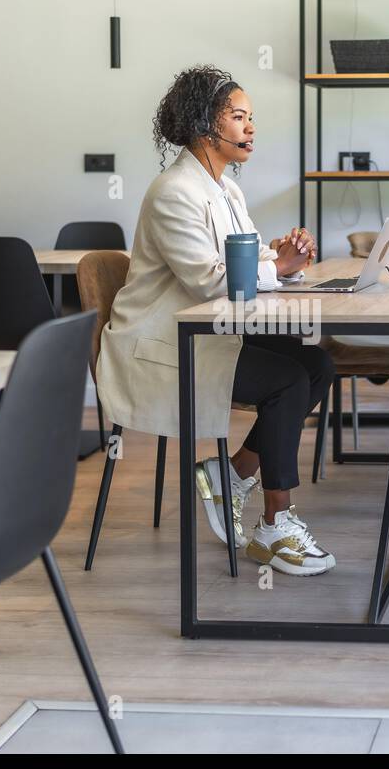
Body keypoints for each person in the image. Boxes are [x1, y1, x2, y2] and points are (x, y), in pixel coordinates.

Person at [95, 65, 338, 576]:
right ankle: (274, 526)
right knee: (288, 379)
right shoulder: (172, 191)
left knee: (316, 364)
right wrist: (279, 267)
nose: (251, 128)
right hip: (161, 346)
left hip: (210, 332)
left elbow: (243, 263)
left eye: (251, 118)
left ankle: (231, 475)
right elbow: (210, 281)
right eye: (239, 117)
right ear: (207, 123)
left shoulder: (227, 191)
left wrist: (282, 256)